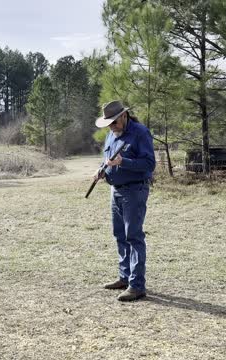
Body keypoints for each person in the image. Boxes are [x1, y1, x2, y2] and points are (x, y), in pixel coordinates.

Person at [94, 100, 155, 302]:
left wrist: (125, 162)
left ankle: (137, 285)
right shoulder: (113, 134)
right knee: (119, 234)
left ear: (123, 116)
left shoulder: (140, 133)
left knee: (134, 236)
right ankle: (124, 277)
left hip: (134, 191)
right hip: (116, 190)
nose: (111, 127)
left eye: (113, 122)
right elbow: (108, 158)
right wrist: (102, 170)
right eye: (108, 124)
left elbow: (149, 164)